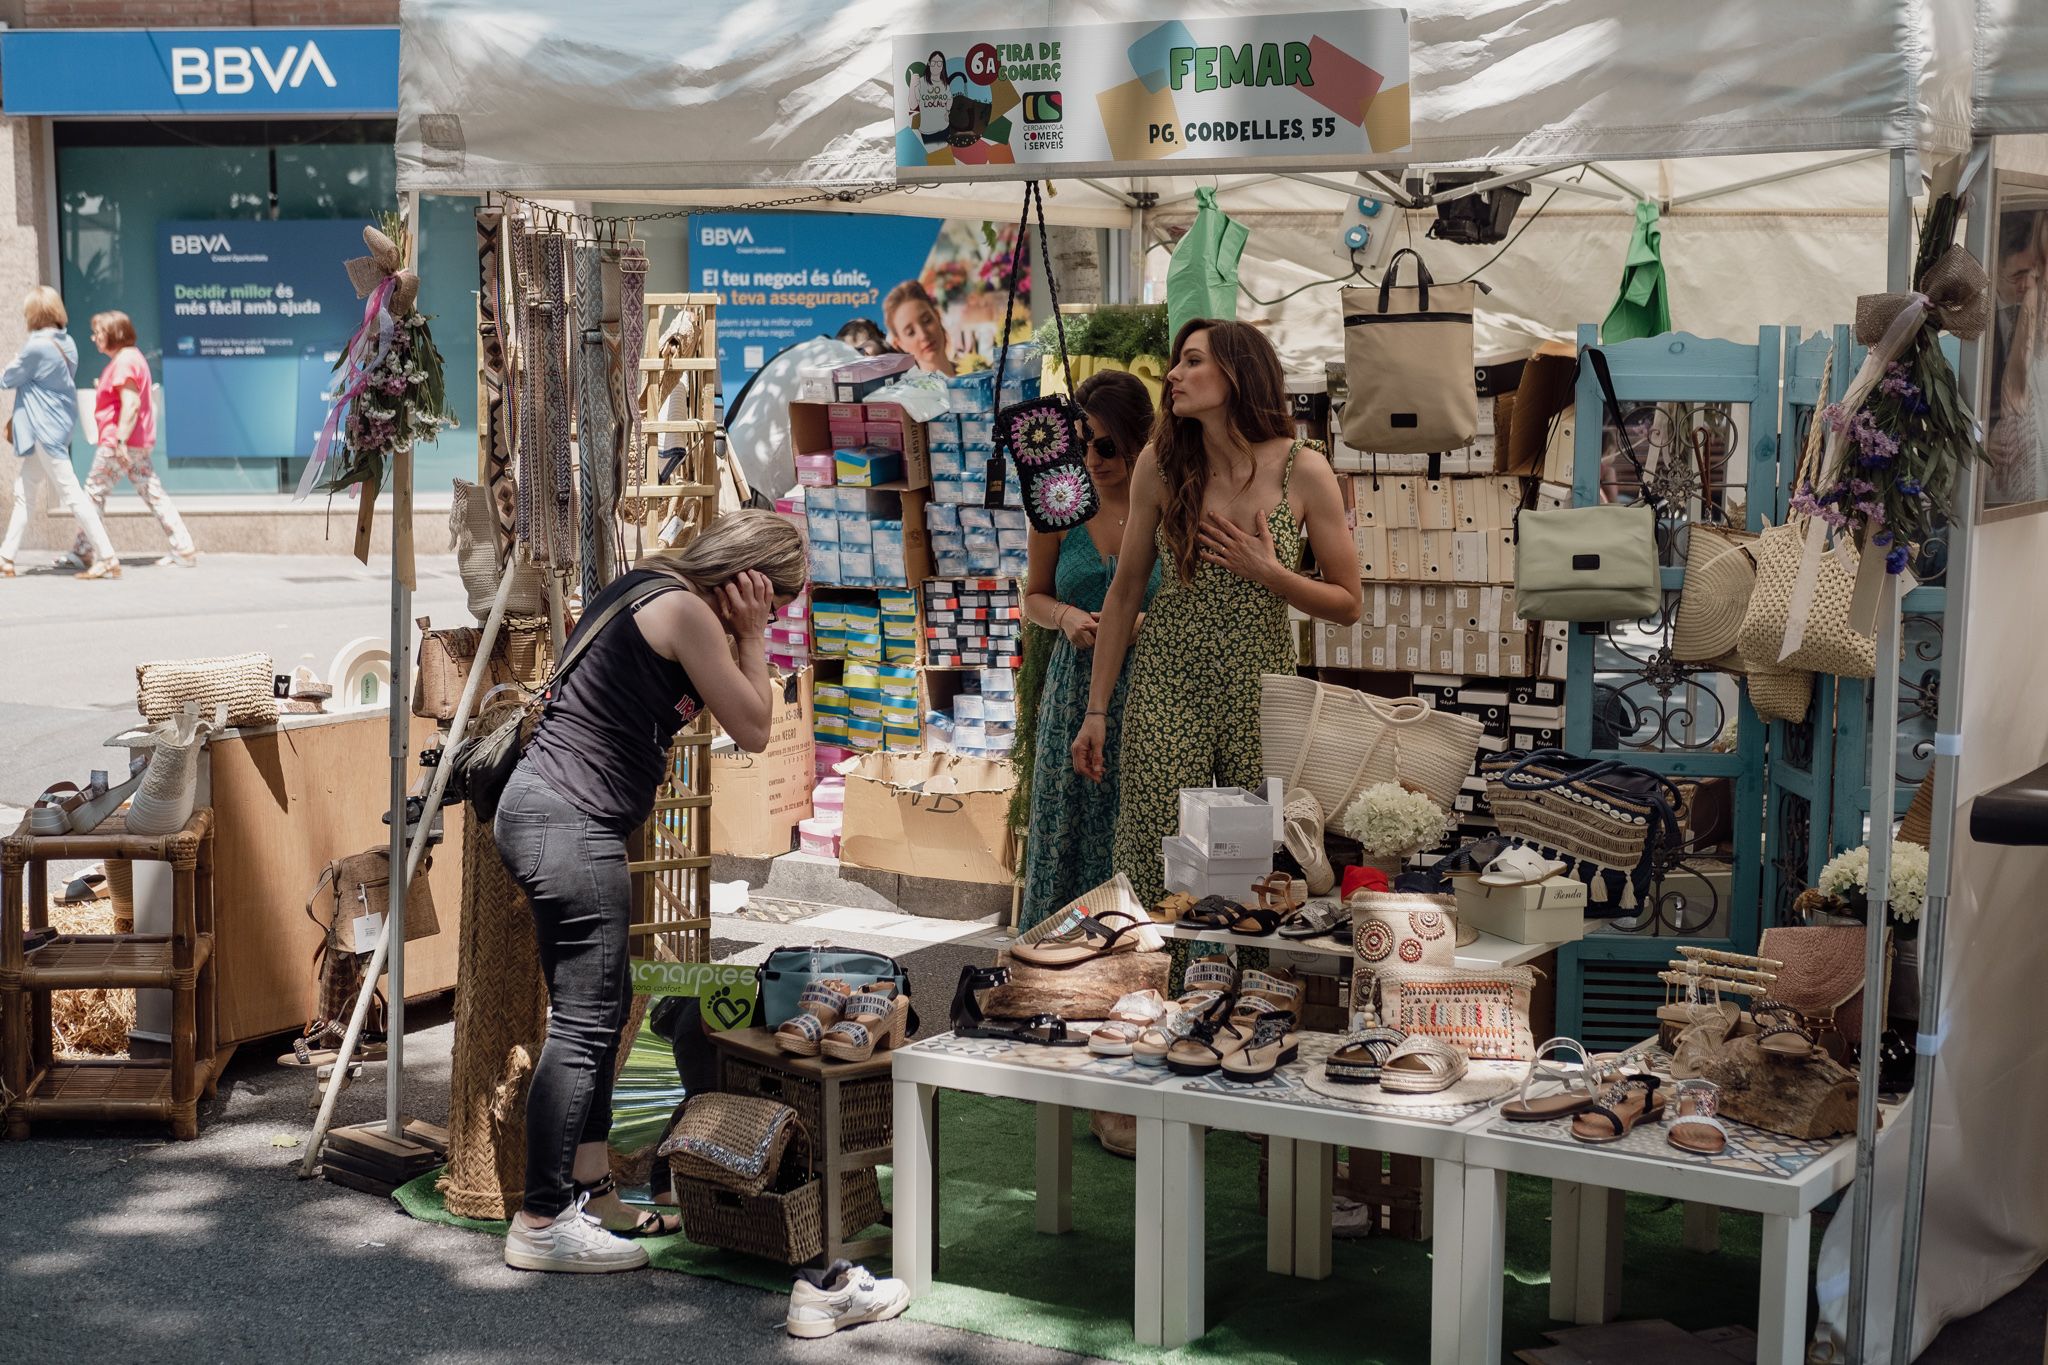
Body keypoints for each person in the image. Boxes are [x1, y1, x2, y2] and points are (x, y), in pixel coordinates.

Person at [493, 509, 806, 1274]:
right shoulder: (688, 611)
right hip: (572, 822)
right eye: (780, 597)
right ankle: (540, 1218)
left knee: (601, 1001)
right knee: (585, 1022)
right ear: (752, 581)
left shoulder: (649, 586)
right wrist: (754, 632)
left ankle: (592, 1189)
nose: (779, 612)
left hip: (547, 813)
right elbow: (758, 725)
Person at [1073, 320, 1362, 910]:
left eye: (1192, 361)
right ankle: (1153, 993)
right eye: (1177, 363)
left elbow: (1349, 602)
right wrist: (1097, 710)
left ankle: (1239, 998)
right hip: (1166, 680)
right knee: (1155, 849)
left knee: (1250, 864)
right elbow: (1126, 592)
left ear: (1238, 373)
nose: (1174, 375)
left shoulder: (1303, 469)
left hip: (1262, 690)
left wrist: (1272, 574)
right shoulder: (1160, 462)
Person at [1018, 371, 1162, 929]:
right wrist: (1065, 616)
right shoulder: (1059, 506)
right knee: (1066, 827)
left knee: (1138, 827)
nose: (1093, 459)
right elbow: (1033, 596)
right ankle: (1053, 960)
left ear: (1139, 440)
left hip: (1151, 691)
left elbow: (1190, 594)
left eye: (1107, 445)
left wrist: (1142, 621)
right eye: (1080, 444)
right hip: (1074, 689)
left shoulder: (1168, 506)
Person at [0, 287, 119, 579]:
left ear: (34, 314)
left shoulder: (36, 347)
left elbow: (7, 378)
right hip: (57, 425)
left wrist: (17, 358)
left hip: (42, 430)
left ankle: (107, 556)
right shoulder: (68, 343)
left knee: (72, 495)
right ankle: (6, 558)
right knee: (24, 494)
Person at [73, 311, 196, 571]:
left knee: (93, 493)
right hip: (134, 441)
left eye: (98, 333)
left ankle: (84, 550)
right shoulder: (133, 358)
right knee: (152, 492)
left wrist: (119, 441)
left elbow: (130, 403)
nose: (94, 338)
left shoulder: (124, 362)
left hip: (119, 442)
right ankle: (183, 546)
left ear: (113, 334)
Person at [884, 280, 955, 376]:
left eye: (927, 320)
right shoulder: (910, 390)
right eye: (910, 332)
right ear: (899, 344)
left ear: (937, 316)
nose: (923, 335)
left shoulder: (977, 371)